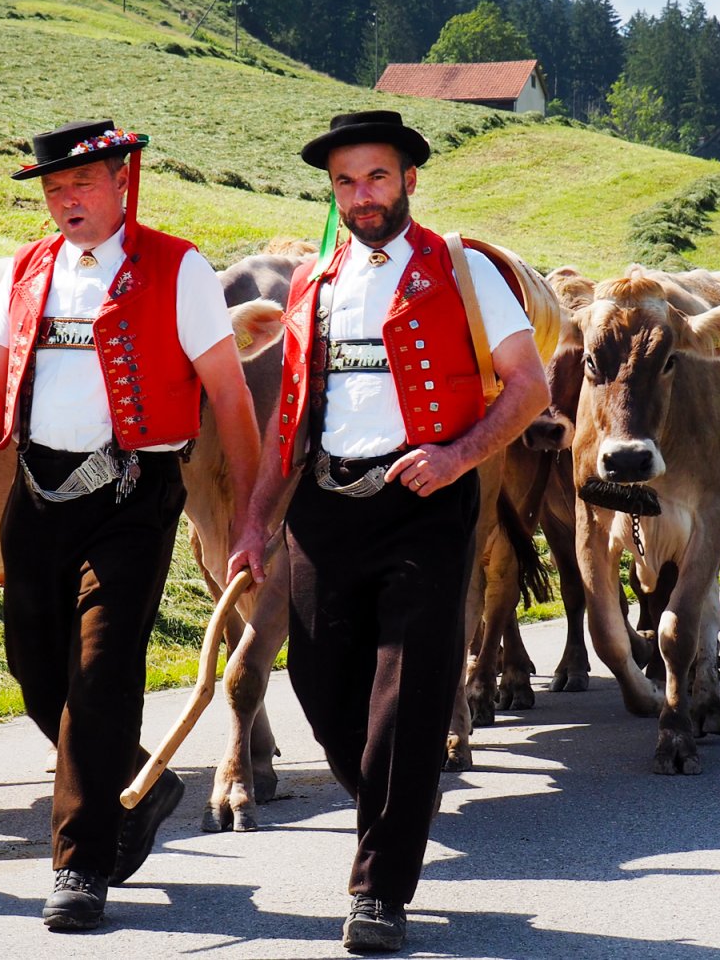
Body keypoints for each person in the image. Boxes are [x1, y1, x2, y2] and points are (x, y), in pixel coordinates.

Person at [228, 111, 549, 954]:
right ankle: (395, 805)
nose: (361, 196)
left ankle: (379, 890)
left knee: (406, 701)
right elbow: (288, 421)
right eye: (345, 182)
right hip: (326, 504)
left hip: (425, 498)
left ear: (409, 179)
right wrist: (257, 521)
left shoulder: (463, 268)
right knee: (322, 690)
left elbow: (529, 386)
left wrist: (460, 456)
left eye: (376, 177)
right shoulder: (313, 281)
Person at [0, 119, 260, 931]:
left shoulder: (178, 268)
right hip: (36, 494)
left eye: (80, 185)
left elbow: (230, 398)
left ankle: (79, 867)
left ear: (122, 180)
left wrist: (252, 516)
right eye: (52, 190)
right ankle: (141, 780)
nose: (64, 201)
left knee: (101, 669)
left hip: (134, 494)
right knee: (34, 671)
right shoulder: (29, 268)